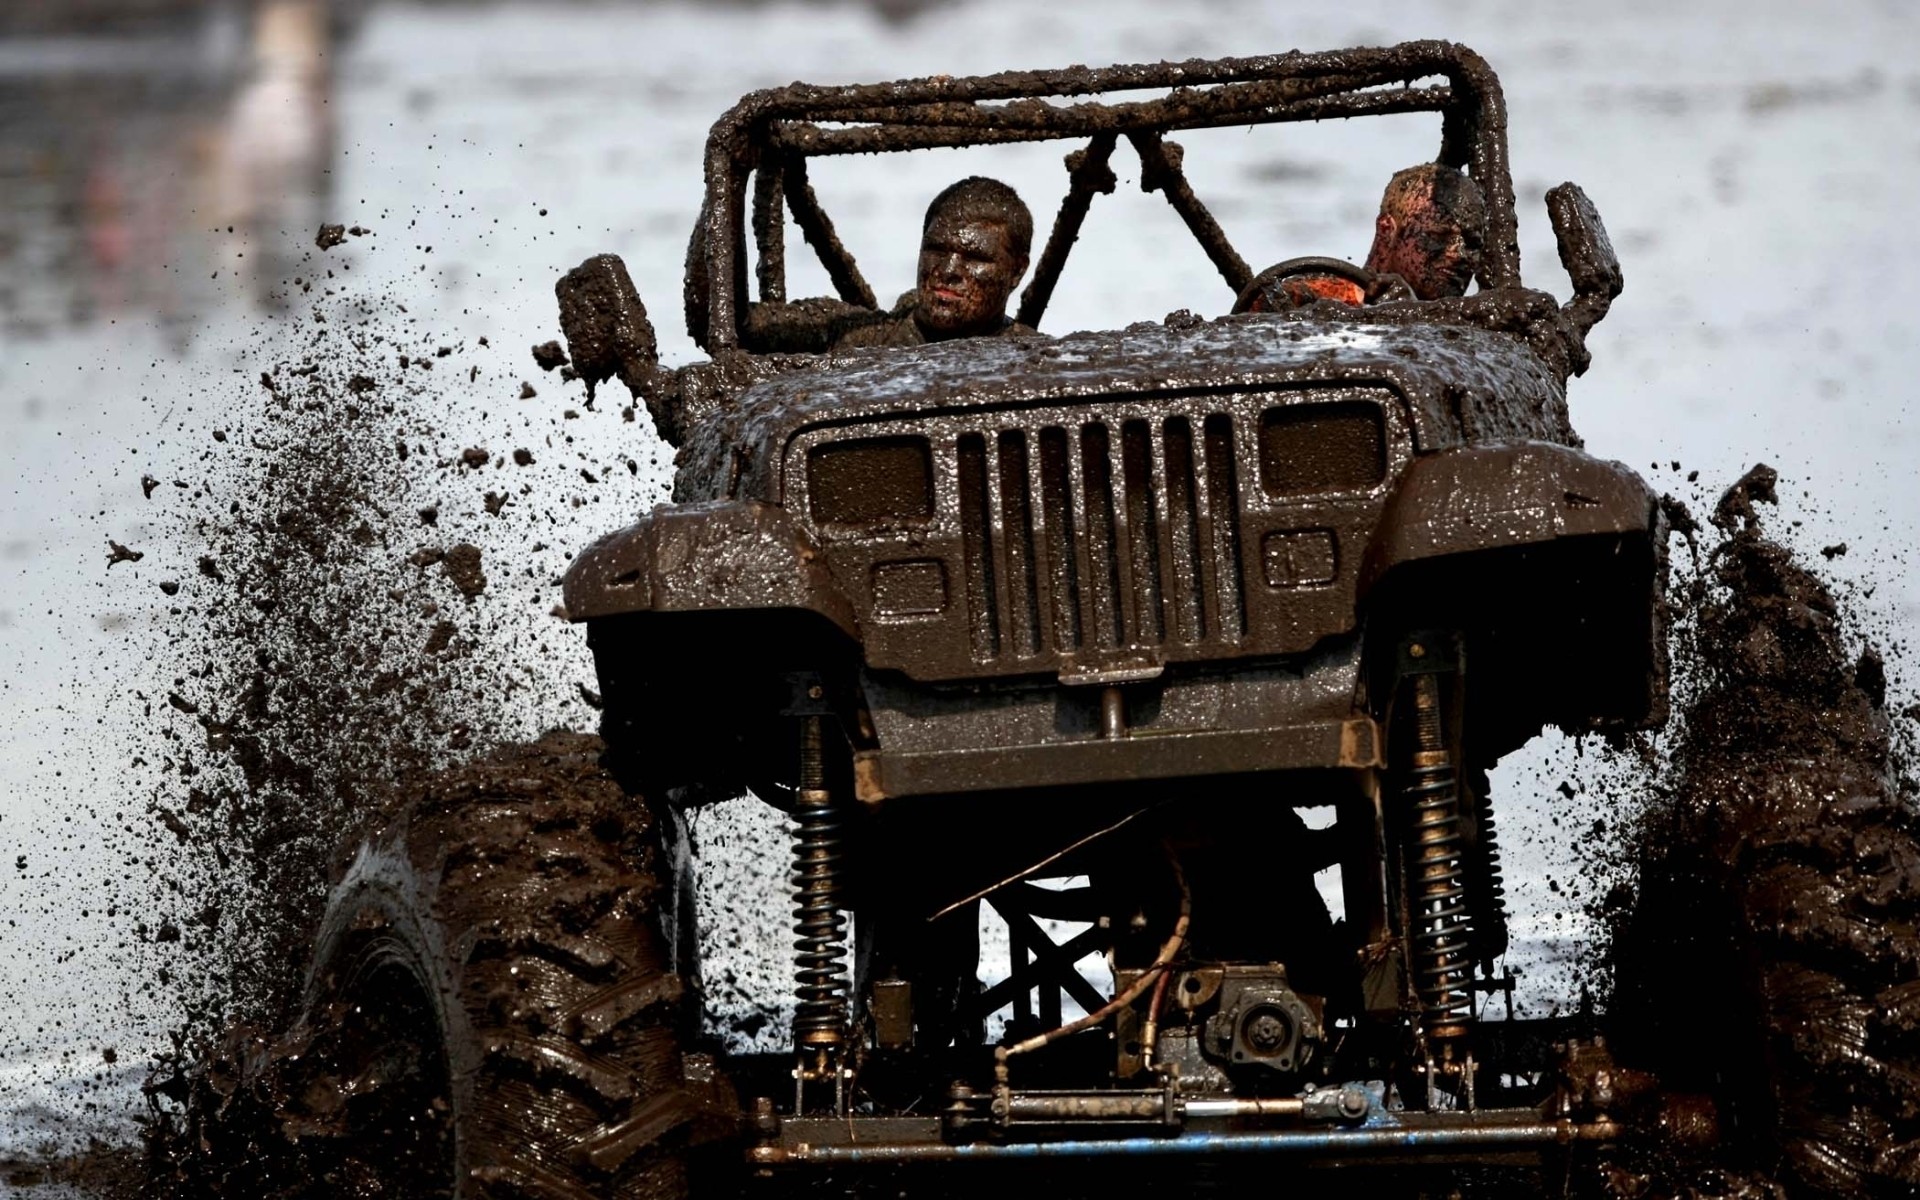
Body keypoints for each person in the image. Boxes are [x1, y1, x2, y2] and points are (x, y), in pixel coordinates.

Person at [1237, 162, 1488, 313]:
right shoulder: (1313, 296)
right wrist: (1382, 311)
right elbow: (1259, 311)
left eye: (1472, 244)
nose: (1458, 254)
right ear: (1387, 233)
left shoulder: (1477, 324)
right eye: (1438, 237)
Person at [833, 176, 1036, 349]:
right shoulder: (848, 337)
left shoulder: (1039, 358)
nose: (948, 271)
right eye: (937, 250)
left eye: (974, 257)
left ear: (1017, 270)